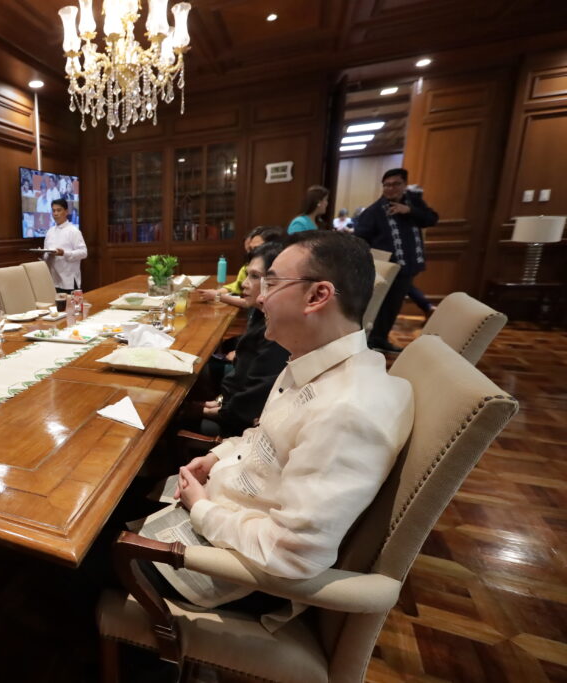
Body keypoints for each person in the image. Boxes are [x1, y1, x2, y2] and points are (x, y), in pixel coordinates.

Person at [154, 231, 413, 611]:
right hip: (229, 509)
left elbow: (294, 556)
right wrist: (218, 457)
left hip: (243, 575)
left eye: (272, 283)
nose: (259, 297)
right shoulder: (314, 359)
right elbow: (266, 435)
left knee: (81, 560)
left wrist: (202, 509)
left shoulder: (348, 410)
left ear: (317, 296)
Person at [190, 242, 289, 438]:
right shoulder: (262, 318)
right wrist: (218, 402)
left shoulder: (277, 335)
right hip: (231, 407)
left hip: (239, 432)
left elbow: (250, 405)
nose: (244, 283)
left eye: (254, 276)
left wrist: (205, 410)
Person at [354, 168, 439, 353]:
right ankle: (375, 338)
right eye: (387, 185)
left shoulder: (413, 203)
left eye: (396, 184)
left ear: (404, 185)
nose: (391, 189)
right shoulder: (374, 211)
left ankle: (379, 338)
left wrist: (409, 211)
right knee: (383, 304)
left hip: (408, 263)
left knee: (394, 304)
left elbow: (432, 218)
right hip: (386, 265)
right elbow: (360, 238)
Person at [197, 226, 284, 308]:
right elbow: (238, 286)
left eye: (256, 249)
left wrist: (218, 296)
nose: (251, 254)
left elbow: (247, 302)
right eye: (249, 250)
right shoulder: (248, 267)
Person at [42, 198, 87, 293]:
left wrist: (64, 253)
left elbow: (84, 253)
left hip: (69, 281)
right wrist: (44, 255)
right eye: (53, 210)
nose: (55, 213)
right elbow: (46, 255)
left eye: (59, 210)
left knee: (73, 308)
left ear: (66, 212)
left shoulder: (73, 231)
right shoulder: (49, 232)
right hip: (53, 280)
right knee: (54, 308)